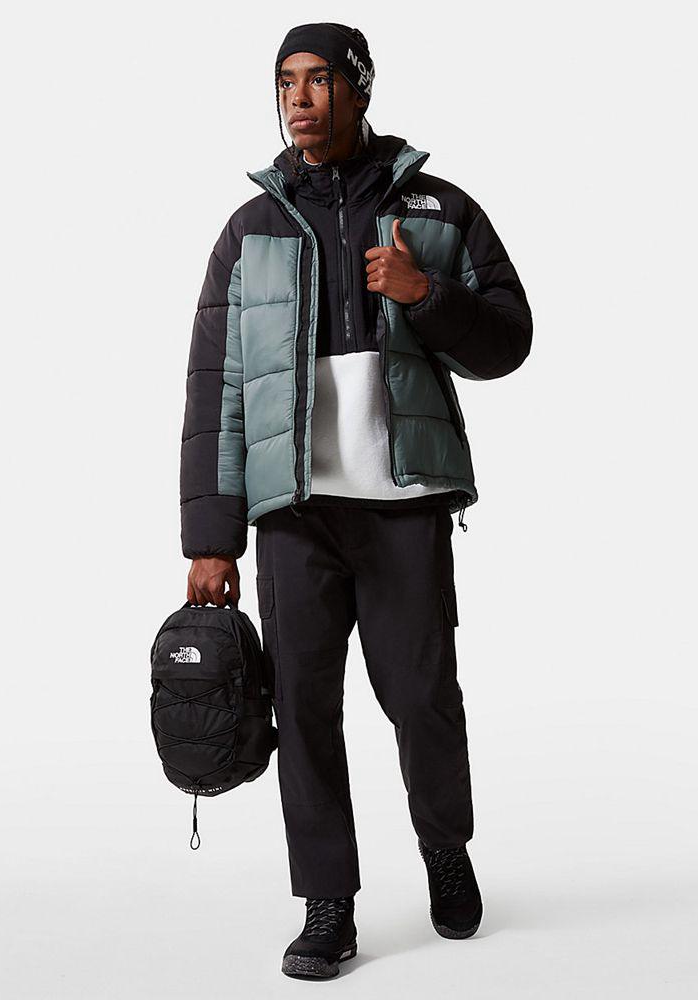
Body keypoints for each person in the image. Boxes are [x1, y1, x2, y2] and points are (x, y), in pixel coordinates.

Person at [179, 22, 533, 979]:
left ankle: (445, 851)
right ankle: (326, 902)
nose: (298, 100)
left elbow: (508, 340)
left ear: (360, 87)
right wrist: (212, 537)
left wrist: (424, 295)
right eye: (285, 83)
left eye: (318, 81)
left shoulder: (438, 208)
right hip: (293, 513)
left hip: (404, 500)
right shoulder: (248, 231)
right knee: (304, 710)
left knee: (422, 697)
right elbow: (214, 389)